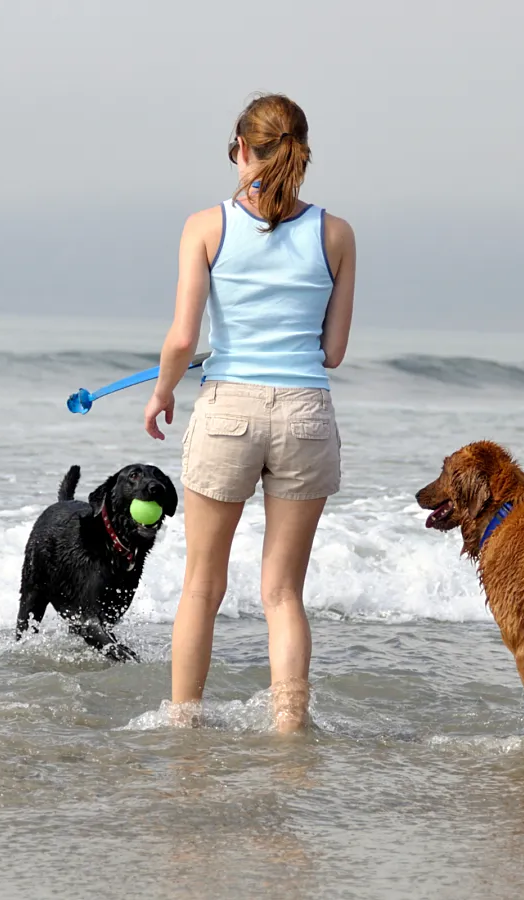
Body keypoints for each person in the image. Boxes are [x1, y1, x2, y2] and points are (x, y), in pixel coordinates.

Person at [143, 93, 356, 732]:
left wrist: (162, 392)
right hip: (306, 415)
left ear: (241, 148)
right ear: (302, 154)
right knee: (283, 594)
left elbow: (183, 338)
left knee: (202, 588)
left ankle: (184, 723)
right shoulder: (336, 234)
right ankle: (290, 730)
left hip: (228, 408)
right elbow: (335, 351)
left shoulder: (205, 226)